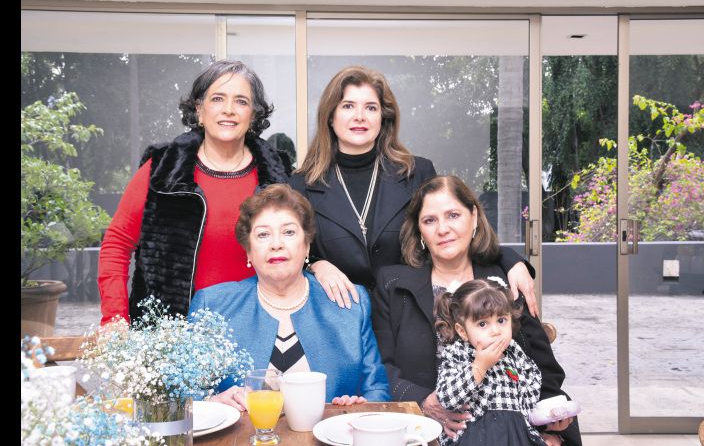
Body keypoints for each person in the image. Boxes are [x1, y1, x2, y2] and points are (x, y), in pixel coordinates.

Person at [289, 65, 540, 317]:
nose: (360, 116)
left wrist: (509, 259)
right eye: (347, 106)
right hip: (338, 318)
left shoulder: (417, 171)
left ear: (383, 118)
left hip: (411, 316)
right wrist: (316, 265)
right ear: (330, 117)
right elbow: (289, 253)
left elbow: (451, 234)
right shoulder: (302, 184)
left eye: (371, 107)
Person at [372, 175, 581, 445]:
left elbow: (543, 367)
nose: (443, 229)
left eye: (453, 215)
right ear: (419, 230)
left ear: (473, 216)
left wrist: (550, 427)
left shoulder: (504, 280)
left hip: (510, 430)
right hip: (422, 430)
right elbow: (380, 366)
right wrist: (425, 402)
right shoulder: (393, 285)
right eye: (430, 220)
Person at [98, 60, 293, 325]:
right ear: (199, 110)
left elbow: (304, 246)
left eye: (241, 101)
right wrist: (115, 319)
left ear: (254, 115)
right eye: (217, 99)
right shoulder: (161, 168)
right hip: (170, 337)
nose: (228, 110)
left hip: (259, 331)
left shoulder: (278, 174)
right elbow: (116, 245)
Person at [188, 184, 390, 410]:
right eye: (263, 234)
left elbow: (377, 390)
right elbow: (183, 392)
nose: (276, 244)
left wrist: (360, 405)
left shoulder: (350, 303)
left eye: (289, 232)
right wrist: (210, 402)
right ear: (248, 251)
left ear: (307, 245)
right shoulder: (212, 305)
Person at [434, 278, 559, 446]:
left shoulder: (514, 352)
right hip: (474, 435)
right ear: (462, 331)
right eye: (483, 323)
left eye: (501, 320)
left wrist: (545, 418)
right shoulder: (457, 353)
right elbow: (446, 398)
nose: (495, 331)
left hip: (515, 433)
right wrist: (478, 367)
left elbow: (531, 390)